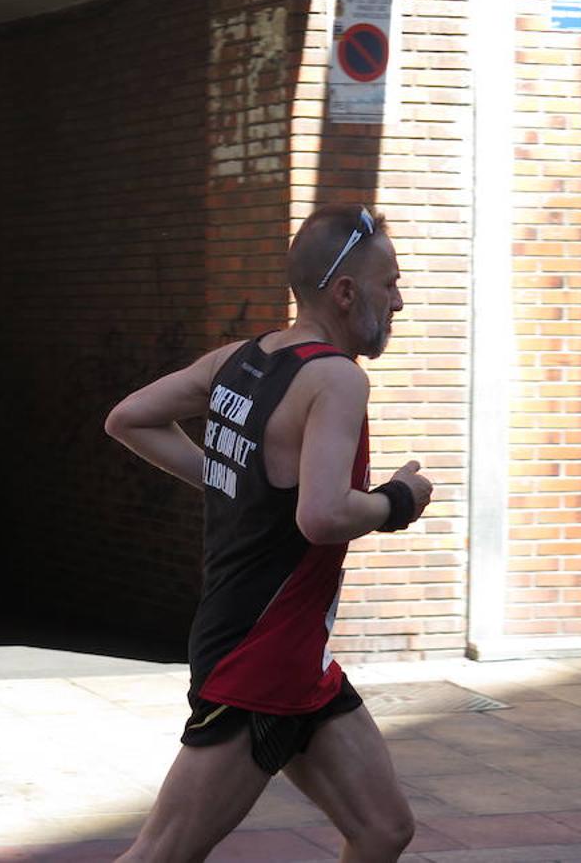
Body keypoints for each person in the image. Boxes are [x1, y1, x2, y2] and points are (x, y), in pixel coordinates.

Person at [104, 203, 433, 863]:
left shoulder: (242, 358)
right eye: (389, 282)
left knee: (383, 830)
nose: (399, 300)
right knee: (160, 855)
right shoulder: (336, 378)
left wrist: (228, 478)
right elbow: (322, 515)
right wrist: (399, 499)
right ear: (345, 292)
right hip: (256, 660)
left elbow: (129, 417)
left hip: (295, 655)